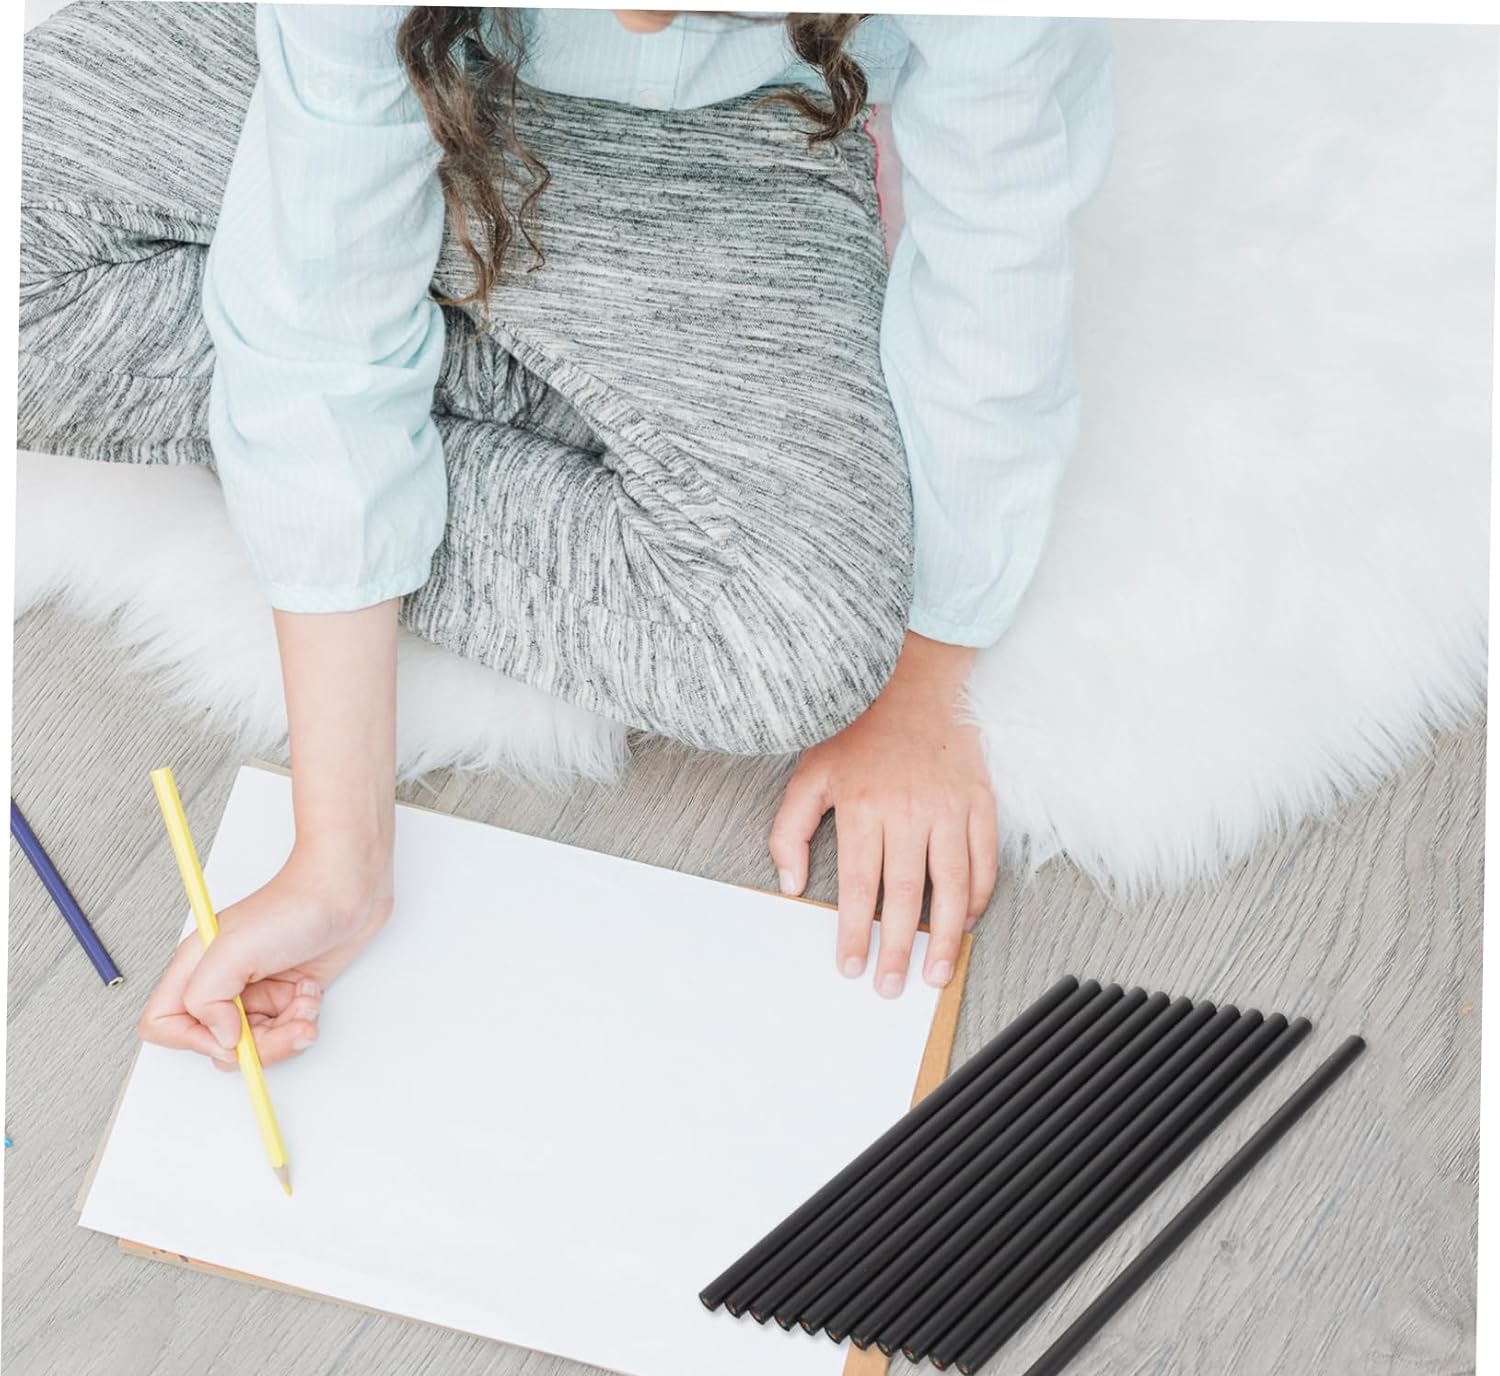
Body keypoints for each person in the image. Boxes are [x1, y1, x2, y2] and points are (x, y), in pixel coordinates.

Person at [18, 5, 1113, 1069]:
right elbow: (318, 309)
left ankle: (410, 384)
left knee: (791, 638)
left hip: (734, 144)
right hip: (390, 52)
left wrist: (925, 679)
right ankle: (441, 387)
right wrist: (339, 854)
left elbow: (999, 254)